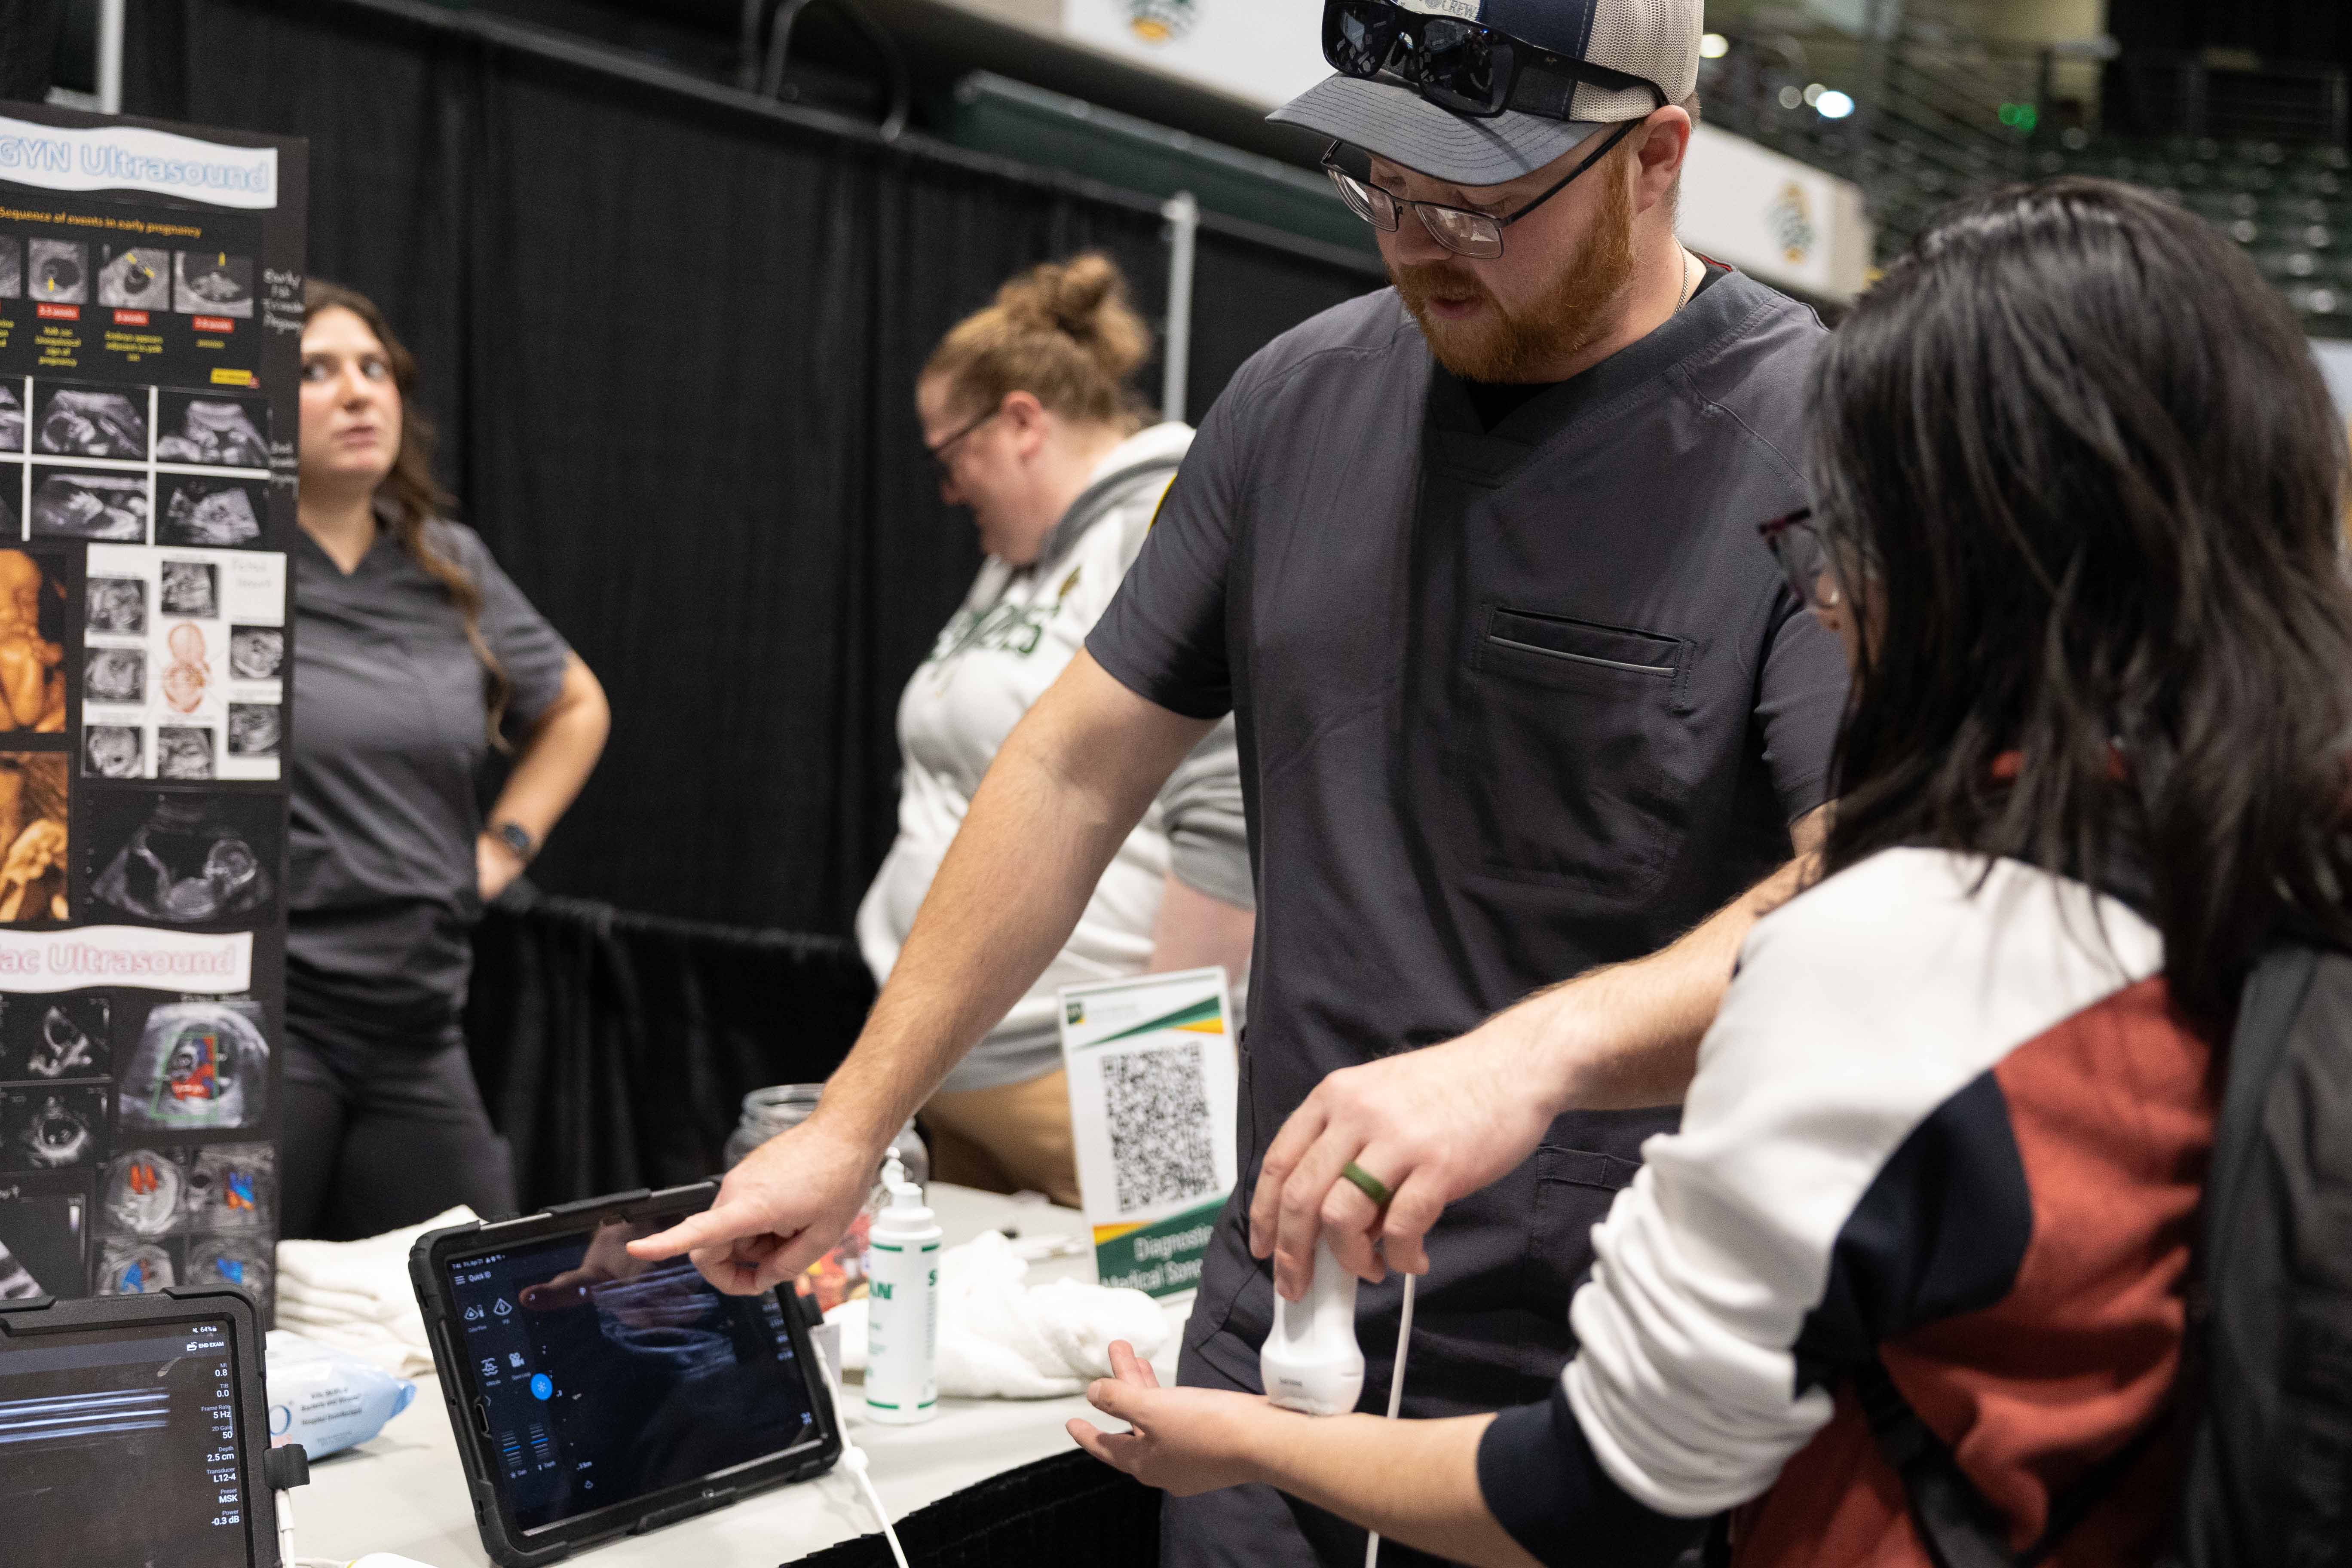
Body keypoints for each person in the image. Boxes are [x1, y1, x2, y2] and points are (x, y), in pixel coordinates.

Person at [632, 1, 1847, 1560]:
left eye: (1475, 200)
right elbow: (1074, 766)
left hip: (1596, 1375)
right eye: (1382, 183)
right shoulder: (1294, 403)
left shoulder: (1815, 441)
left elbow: (1864, 890)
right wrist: (858, 1119)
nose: (1416, 242)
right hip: (1267, 1357)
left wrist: (1522, 1061)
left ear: (1656, 157)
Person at [1066, 177, 2352, 1566]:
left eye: (1850, 533)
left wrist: (1241, 1434)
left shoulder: (1908, 948)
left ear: (1972, 557)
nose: (1827, 595)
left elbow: (1596, 1482)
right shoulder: (2281, 855)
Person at [858, 254, 1253, 1209]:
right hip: (953, 1063)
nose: (951, 490)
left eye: (953, 456)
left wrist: (1159, 1103)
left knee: (1134, 1340)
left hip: (1092, 1073)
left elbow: (1230, 805)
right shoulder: (1018, 565)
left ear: (1023, 421)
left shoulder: (1162, 523)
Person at [285, 281, 610, 1240]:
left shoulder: (445, 562)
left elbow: (578, 704)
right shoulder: (223, 568)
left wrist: (503, 847)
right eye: (316, 371)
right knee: (234, 1314)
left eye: (374, 368)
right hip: (271, 1020)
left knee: (487, 1299)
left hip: (420, 1018)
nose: (358, 393)